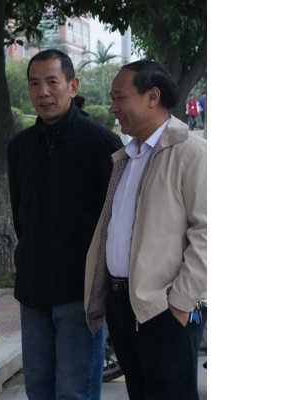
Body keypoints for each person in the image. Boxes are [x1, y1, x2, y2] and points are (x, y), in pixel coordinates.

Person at [84, 60, 207, 400]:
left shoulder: (191, 152)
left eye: (120, 97)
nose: (113, 108)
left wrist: (179, 305)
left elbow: (208, 234)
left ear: (152, 97)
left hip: (164, 307)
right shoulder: (127, 157)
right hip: (122, 305)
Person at [7, 49, 123, 400]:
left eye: (52, 82)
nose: (43, 91)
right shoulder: (20, 147)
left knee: (75, 392)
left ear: (73, 86)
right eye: (34, 83)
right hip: (33, 294)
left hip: (79, 295)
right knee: (38, 390)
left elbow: (116, 223)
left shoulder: (102, 145)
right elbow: (21, 218)